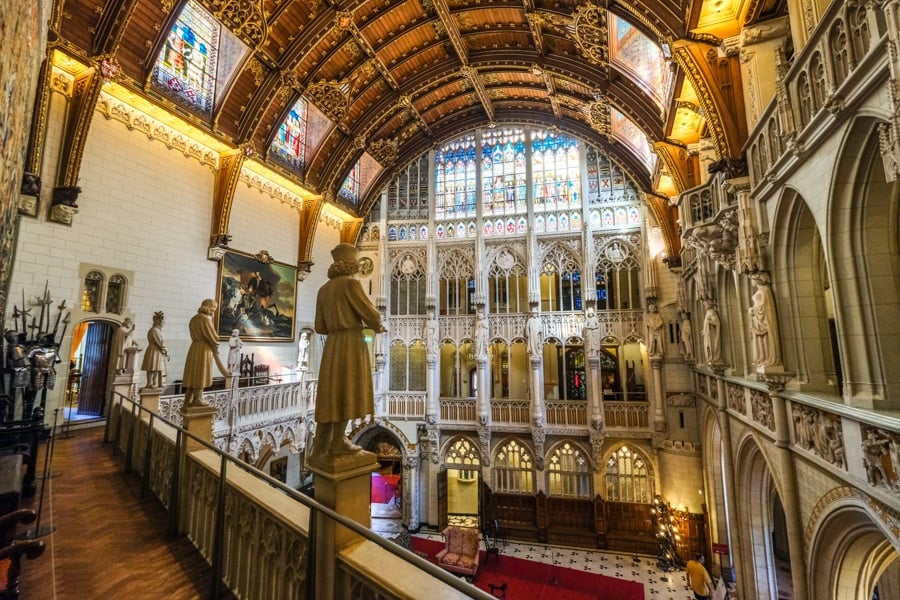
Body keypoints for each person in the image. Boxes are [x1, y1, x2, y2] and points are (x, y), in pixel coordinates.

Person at [311, 244, 386, 461]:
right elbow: (371, 314)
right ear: (350, 263)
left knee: (333, 392)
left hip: (332, 345)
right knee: (346, 389)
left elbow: (319, 327)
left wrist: (337, 325)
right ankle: (337, 442)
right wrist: (376, 325)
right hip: (351, 343)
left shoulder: (323, 290)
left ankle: (329, 443)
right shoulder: (351, 285)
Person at [183, 299, 229, 409]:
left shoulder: (193, 319)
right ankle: (198, 399)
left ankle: (187, 400)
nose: (213, 311)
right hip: (203, 349)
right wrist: (216, 344)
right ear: (208, 306)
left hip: (194, 347)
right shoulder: (205, 319)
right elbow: (214, 337)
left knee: (193, 374)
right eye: (213, 308)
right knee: (200, 373)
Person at [748, 278, 781, 368]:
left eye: (752, 278)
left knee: (765, 339)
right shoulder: (761, 291)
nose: (751, 281)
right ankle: (762, 358)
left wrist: (754, 310)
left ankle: (768, 358)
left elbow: (764, 306)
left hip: (762, 320)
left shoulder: (764, 290)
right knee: (761, 341)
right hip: (757, 320)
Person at [141, 311, 168, 390]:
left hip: (157, 350)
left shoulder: (157, 330)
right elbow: (160, 342)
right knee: (151, 368)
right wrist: (165, 350)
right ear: (157, 321)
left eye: (163, 321)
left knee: (156, 368)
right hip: (154, 350)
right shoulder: (155, 330)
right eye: (161, 321)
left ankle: (154, 382)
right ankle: (149, 383)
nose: (163, 323)